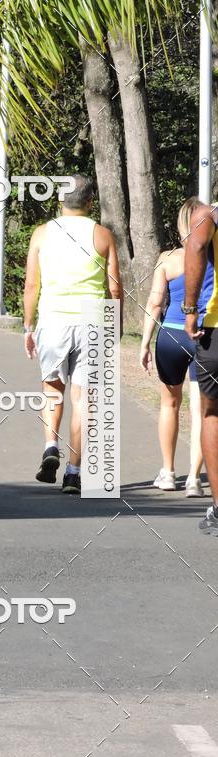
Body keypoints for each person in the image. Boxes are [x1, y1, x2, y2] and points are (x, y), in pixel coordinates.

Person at [22, 174, 123, 494]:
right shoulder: (102, 235)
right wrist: (114, 325)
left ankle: (51, 445)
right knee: (84, 400)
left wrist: (28, 325)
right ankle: (73, 473)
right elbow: (114, 286)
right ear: (91, 201)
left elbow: (31, 285)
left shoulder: (42, 234)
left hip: (53, 318)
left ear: (60, 200)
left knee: (53, 389)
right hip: (92, 320)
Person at [140, 197, 213, 496]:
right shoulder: (212, 258)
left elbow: (156, 302)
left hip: (170, 336)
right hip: (203, 334)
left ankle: (168, 472)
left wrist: (144, 343)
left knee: (169, 404)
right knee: (201, 410)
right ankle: (195, 479)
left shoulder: (167, 259)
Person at [184, 200, 218, 532]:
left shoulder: (208, 215)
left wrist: (190, 307)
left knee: (212, 413)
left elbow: (195, 245)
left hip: (216, 328)